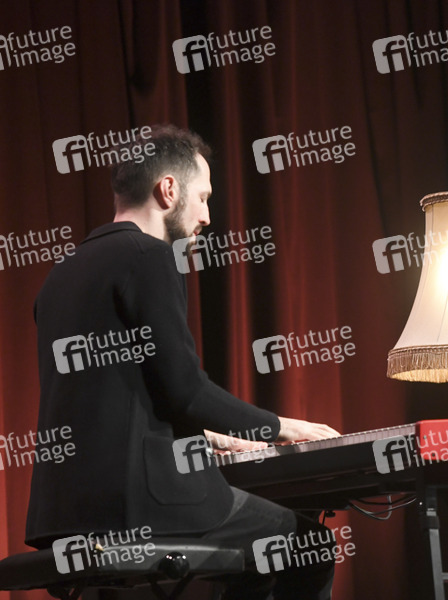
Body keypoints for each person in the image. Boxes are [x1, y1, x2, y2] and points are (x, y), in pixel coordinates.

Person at [26, 125, 338, 599]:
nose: (207, 216)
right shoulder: (149, 256)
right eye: (203, 197)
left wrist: (214, 437)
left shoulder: (60, 275)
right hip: (142, 503)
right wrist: (284, 427)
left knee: (256, 563)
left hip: (62, 513)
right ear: (169, 189)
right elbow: (186, 391)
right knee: (310, 546)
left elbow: (118, 397)